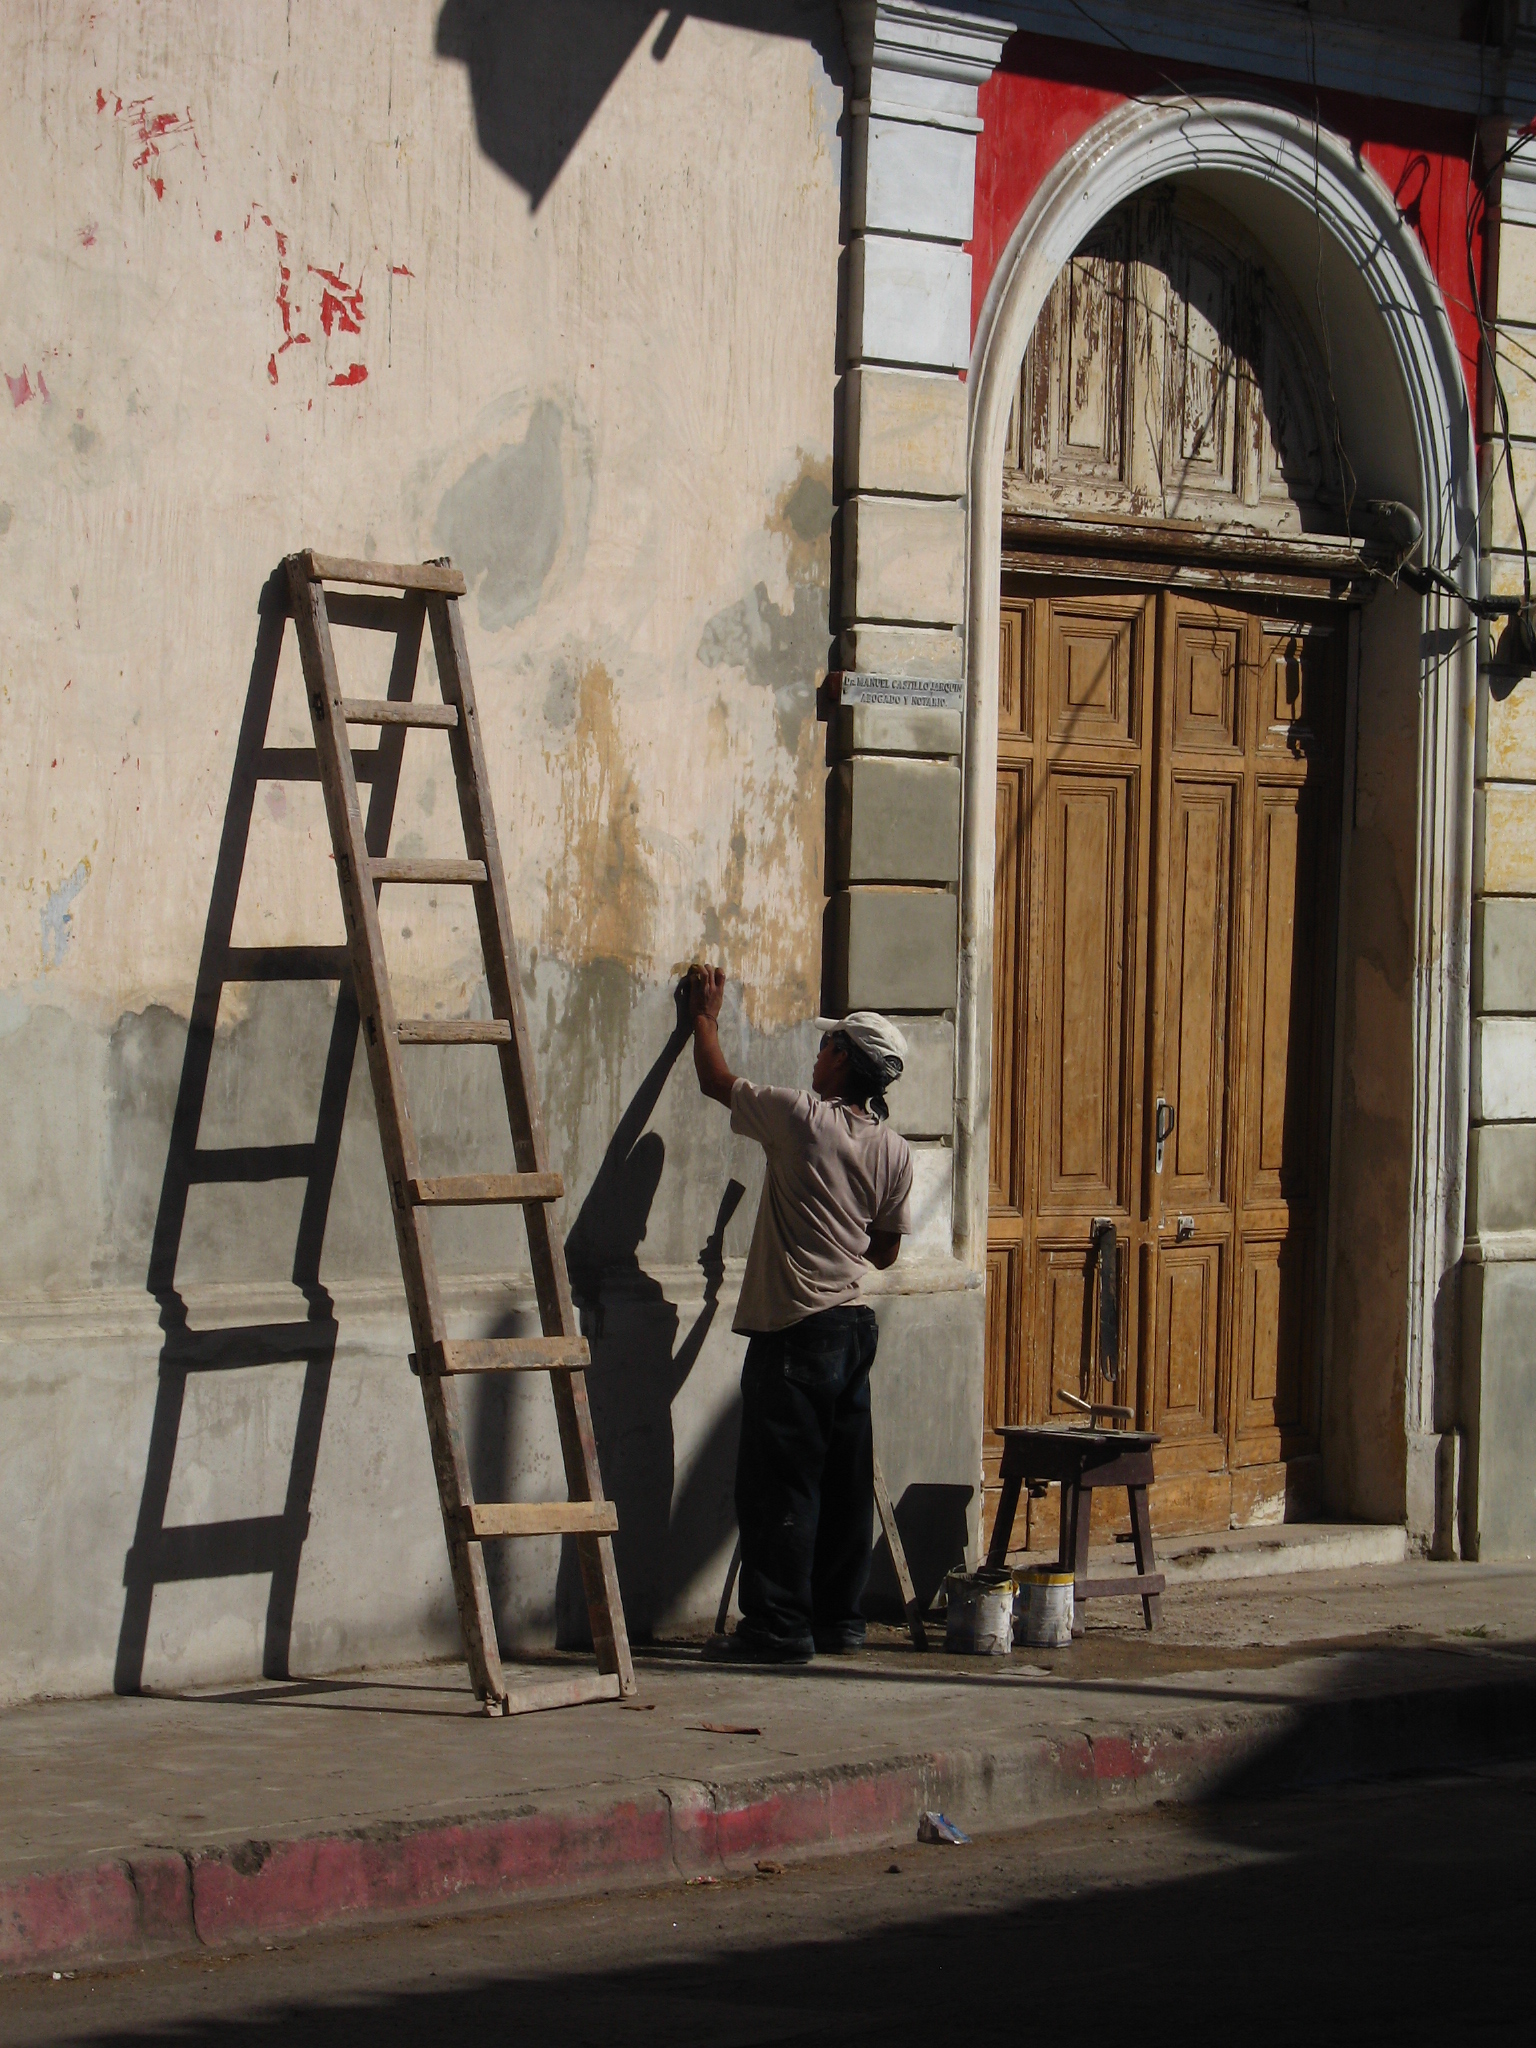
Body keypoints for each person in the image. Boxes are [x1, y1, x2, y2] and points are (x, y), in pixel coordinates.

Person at [684, 965, 913, 1663]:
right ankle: (837, 1622)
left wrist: (704, 1016)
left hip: (796, 1332)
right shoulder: (894, 1150)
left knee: (781, 1482)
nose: (815, 1059)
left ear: (842, 1058)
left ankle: (778, 1629)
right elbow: (883, 1252)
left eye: (824, 1049)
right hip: (851, 1328)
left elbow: (715, 1080)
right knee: (844, 1482)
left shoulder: (799, 1119)